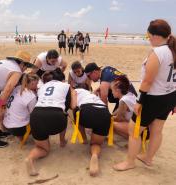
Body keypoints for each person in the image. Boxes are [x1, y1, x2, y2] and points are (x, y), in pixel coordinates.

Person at [113, 19, 176, 171]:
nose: (148, 40)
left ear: (154, 35)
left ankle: (130, 162)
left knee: (134, 130)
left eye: (148, 36)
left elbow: (147, 81)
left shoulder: (158, 52)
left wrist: (140, 101)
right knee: (157, 130)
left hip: (153, 98)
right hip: (169, 96)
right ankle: (148, 158)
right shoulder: (173, 50)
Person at [25, 70, 76, 176]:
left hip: (36, 116)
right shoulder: (66, 86)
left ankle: (30, 158)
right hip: (56, 117)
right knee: (64, 114)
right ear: (62, 79)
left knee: (43, 148)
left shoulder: (42, 86)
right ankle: (62, 141)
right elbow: (71, 106)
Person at [74, 88, 111, 176]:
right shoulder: (91, 95)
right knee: (96, 144)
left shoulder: (74, 91)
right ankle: (94, 155)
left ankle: (84, 139)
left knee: (76, 111)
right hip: (104, 113)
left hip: (87, 110)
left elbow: (73, 105)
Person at [2, 73, 39, 141]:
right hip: (18, 128)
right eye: (36, 84)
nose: (37, 86)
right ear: (32, 84)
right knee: (39, 119)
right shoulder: (31, 96)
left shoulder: (17, 87)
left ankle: (19, 136)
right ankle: (22, 136)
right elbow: (33, 113)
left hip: (6, 124)